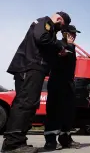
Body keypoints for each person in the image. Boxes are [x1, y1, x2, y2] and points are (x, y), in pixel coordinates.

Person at [1, 12, 71, 153]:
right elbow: (42, 38)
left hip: (33, 68)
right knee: (25, 103)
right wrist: (60, 47)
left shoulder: (48, 27)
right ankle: (13, 145)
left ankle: (17, 141)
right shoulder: (44, 23)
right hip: (30, 67)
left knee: (29, 104)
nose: (59, 31)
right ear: (59, 19)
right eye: (61, 27)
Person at [43, 25, 81, 150]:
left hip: (68, 83)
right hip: (57, 83)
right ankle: (50, 141)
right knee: (54, 111)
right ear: (64, 33)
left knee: (68, 113)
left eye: (74, 34)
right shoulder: (58, 44)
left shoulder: (72, 47)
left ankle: (66, 140)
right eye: (70, 33)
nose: (73, 36)